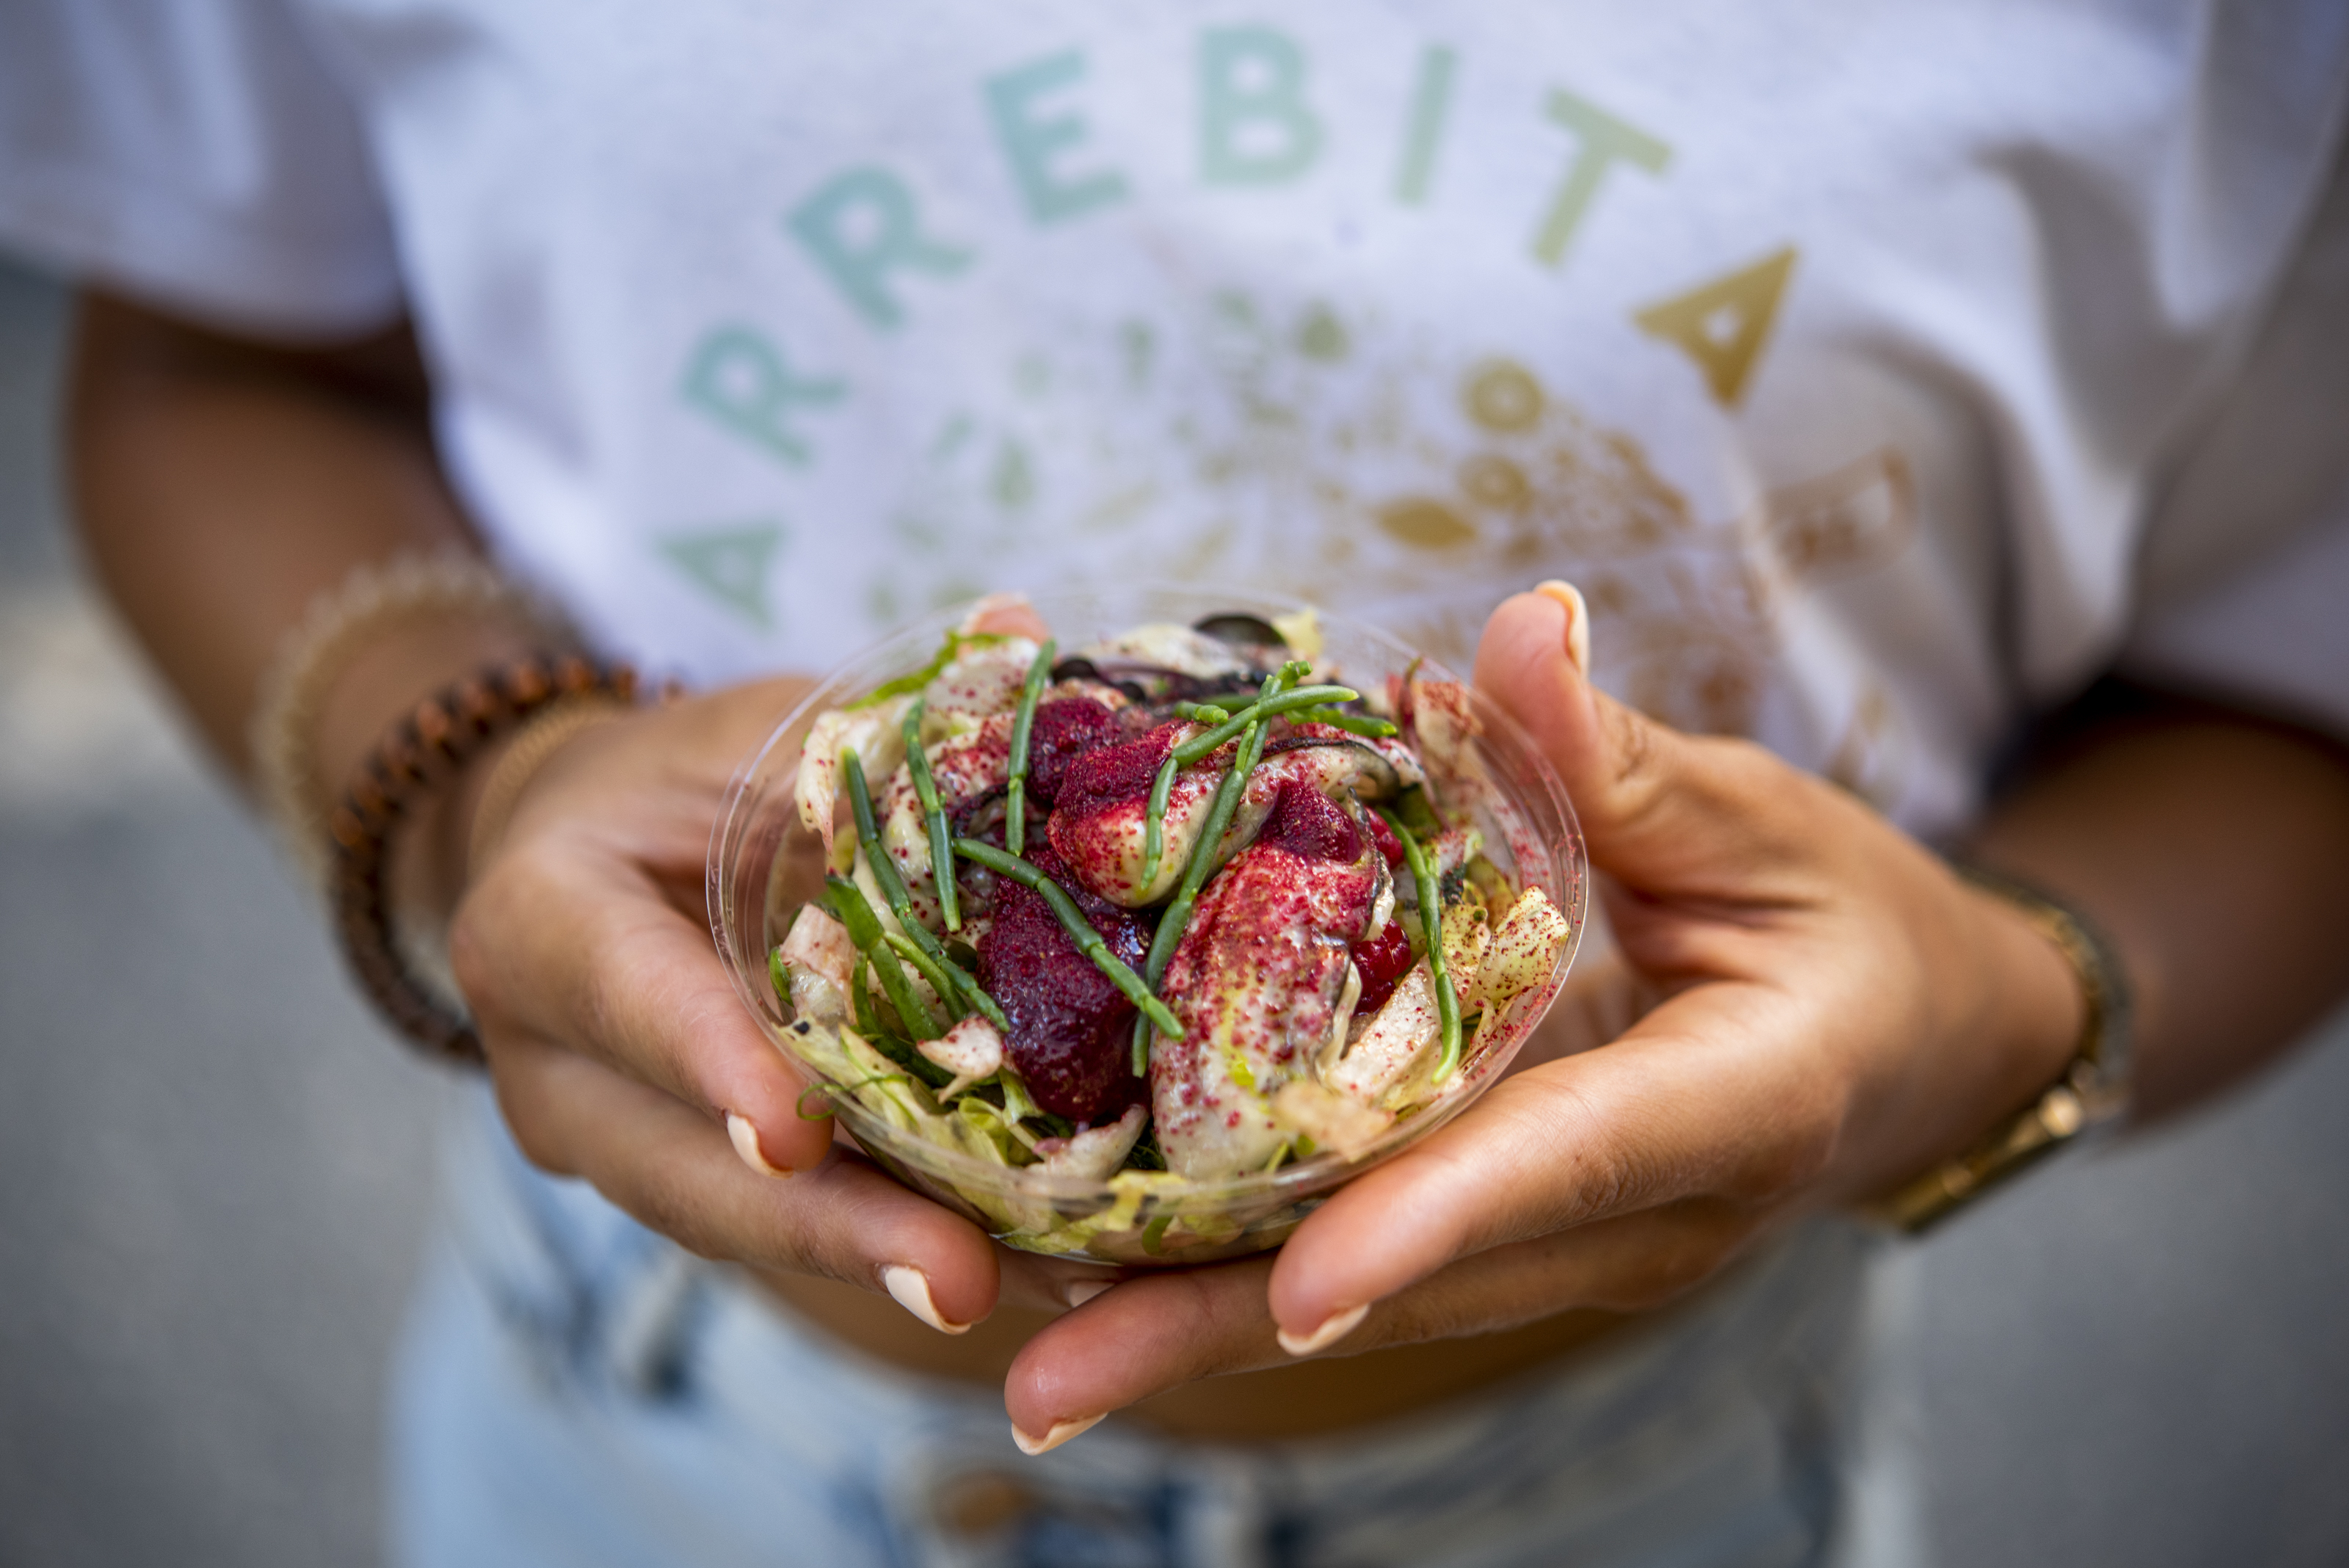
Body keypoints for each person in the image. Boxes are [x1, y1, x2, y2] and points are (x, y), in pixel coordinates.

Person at [7, 2, 2349, 1562]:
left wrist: (1991, 1016)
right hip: (658, 1419)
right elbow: (219, 360)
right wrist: (482, 781)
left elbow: (2291, 702)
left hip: (1652, 1480)